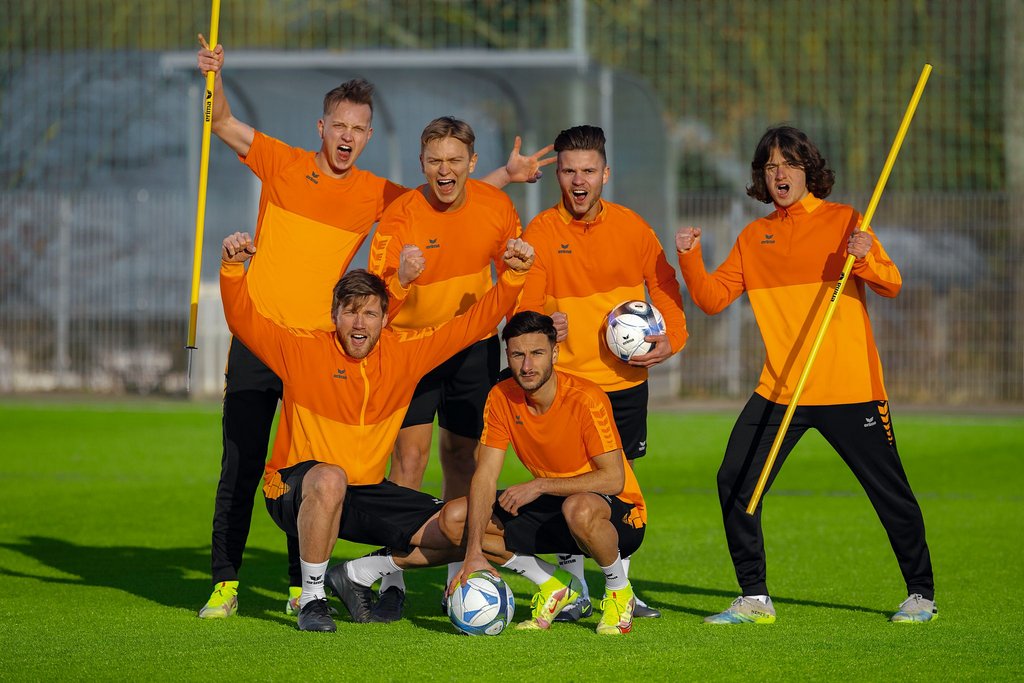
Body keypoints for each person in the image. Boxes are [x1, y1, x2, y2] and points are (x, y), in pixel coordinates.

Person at [195, 38, 555, 619]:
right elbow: (222, 123)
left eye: (358, 129)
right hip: (262, 341)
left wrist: (503, 178)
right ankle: (225, 581)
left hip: (318, 351)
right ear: (321, 127)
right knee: (240, 465)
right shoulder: (281, 162)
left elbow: (443, 193)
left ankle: (301, 585)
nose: (347, 137)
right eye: (339, 125)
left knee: (310, 467)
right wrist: (214, 76)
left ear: (366, 137)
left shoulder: (376, 194)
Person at [675, 125, 936, 624]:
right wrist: (689, 257)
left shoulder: (846, 221)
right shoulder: (754, 237)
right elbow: (711, 299)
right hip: (781, 390)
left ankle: (921, 594)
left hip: (849, 389)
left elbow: (892, 284)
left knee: (889, 492)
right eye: (770, 166)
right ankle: (755, 598)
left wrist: (866, 256)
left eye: (790, 164)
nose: (780, 174)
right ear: (761, 176)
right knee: (735, 481)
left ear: (808, 170)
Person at [219, 230, 536, 631]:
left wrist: (513, 276)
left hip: (366, 490)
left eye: (369, 314)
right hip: (292, 488)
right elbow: (243, 320)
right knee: (331, 478)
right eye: (350, 312)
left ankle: (358, 573)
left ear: (385, 319)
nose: (359, 323)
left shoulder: (404, 353)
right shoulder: (302, 349)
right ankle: (312, 599)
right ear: (333, 315)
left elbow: (473, 324)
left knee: (460, 523)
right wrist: (232, 268)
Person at [517, 124, 687, 620]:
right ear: (558, 175)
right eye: (569, 171)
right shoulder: (540, 233)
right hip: (566, 388)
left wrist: (673, 339)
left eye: (588, 170)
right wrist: (548, 319)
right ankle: (573, 589)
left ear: (605, 174)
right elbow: (524, 307)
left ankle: (621, 590)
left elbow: (665, 286)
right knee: (564, 482)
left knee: (617, 489)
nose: (578, 180)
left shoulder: (633, 228)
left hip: (624, 386)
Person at [367, 116, 534, 620]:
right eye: (435, 160)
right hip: (411, 349)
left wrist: (529, 331)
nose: (445, 170)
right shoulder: (399, 216)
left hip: (472, 350)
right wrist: (402, 277)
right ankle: (391, 578)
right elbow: (377, 302)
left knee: (464, 458)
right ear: (422, 163)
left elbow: (515, 275)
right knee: (410, 459)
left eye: (455, 160)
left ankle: (458, 576)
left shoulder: (496, 206)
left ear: (472, 163)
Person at [440, 311, 647, 635]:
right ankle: (554, 583)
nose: (527, 365)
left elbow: (613, 479)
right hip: (556, 506)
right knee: (453, 518)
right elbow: (485, 476)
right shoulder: (500, 396)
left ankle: (619, 592)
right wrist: (474, 551)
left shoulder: (586, 398)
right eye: (517, 355)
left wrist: (539, 485)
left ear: (554, 353)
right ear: (507, 355)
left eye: (536, 353)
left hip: (619, 514)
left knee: (578, 507)